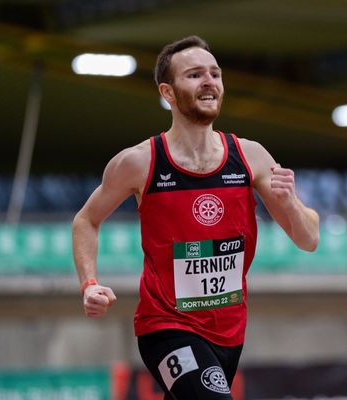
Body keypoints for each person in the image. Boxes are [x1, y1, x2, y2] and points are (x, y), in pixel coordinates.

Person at [72, 35, 320, 399]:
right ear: (168, 92)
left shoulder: (250, 157)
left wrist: (291, 202)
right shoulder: (140, 162)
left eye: (215, 74)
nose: (209, 81)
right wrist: (89, 283)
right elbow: (86, 220)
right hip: (166, 327)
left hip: (229, 332)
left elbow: (308, 239)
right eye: (194, 75)